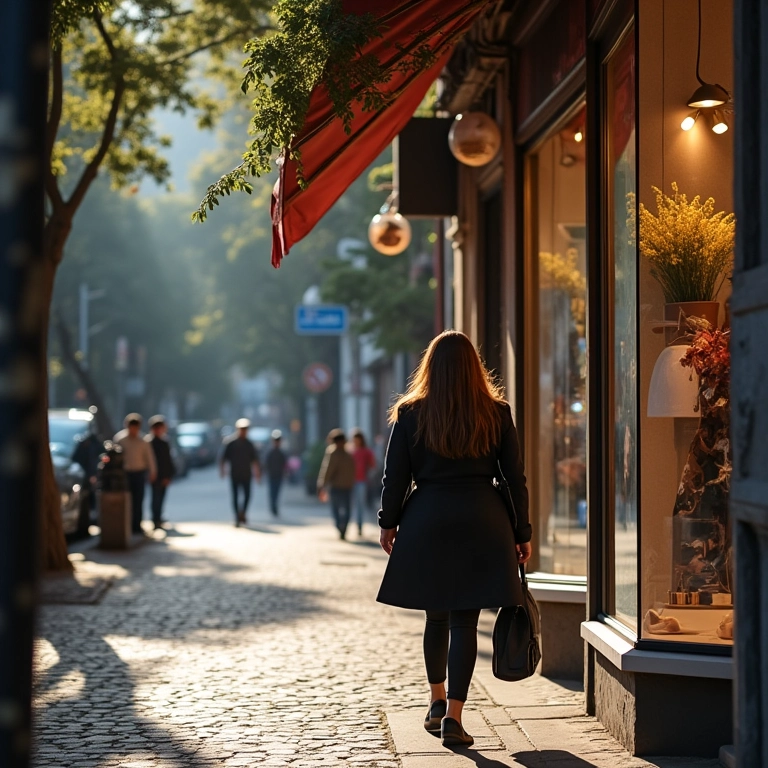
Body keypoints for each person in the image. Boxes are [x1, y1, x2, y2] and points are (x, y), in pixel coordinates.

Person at [376, 330, 532, 748]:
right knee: (466, 621)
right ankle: (455, 718)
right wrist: (523, 533)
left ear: (430, 367)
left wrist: (388, 524)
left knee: (436, 617)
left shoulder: (410, 413)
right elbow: (514, 478)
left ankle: (435, 700)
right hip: (484, 520)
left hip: (428, 519)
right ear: (474, 368)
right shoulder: (496, 412)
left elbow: (395, 478)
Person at [114, 414, 157, 534]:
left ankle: (137, 525)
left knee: (138, 500)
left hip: (139, 473)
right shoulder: (120, 439)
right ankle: (125, 525)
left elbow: (149, 458)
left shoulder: (143, 441)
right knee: (126, 500)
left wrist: (152, 471)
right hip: (124, 474)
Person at [220, 418, 261, 526]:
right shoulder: (231, 443)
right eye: (242, 429)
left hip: (247, 474)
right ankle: (237, 516)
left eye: (246, 429)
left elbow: (255, 460)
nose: (244, 431)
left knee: (247, 495)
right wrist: (222, 470)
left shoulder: (249, 444)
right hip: (235, 474)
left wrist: (257, 474)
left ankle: (243, 512)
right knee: (235, 496)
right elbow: (223, 458)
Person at [317, 429, 356, 540]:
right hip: (336, 486)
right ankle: (340, 526)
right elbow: (327, 470)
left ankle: (343, 528)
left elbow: (353, 470)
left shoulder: (348, 454)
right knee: (336, 509)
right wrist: (321, 484)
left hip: (347, 486)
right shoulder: (332, 453)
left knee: (347, 509)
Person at [145, 415, 175, 530]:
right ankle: (155, 519)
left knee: (161, 497)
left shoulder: (165, 442)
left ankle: (159, 517)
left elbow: (168, 460)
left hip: (164, 474)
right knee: (155, 497)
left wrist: (169, 475)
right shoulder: (148, 443)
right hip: (154, 475)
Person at [350, 429, 376, 536]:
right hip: (351, 481)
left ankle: (359, 525)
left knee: (360, 504)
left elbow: (373, 465)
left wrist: (368, 474)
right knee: (352, 505)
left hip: (362, 481)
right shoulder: (351, 451)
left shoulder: (367, 452)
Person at [265, 430, 288, 517]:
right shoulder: (270, 453)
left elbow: (285, 465)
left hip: (279, 476)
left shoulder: (281, 453)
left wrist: (285, 473)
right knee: (272, 492)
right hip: (271, 476)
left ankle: (275, 507)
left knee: (277, 492)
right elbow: (266, 464)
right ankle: (273, 507)